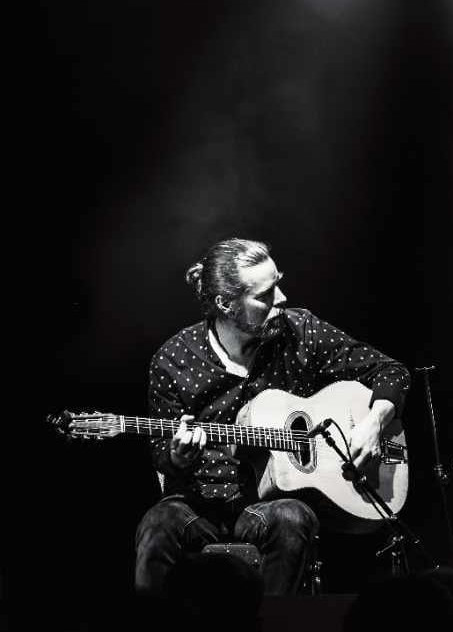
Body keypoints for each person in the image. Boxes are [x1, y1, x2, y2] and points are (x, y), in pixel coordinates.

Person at [136, 238, 410, 595]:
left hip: (267, 507)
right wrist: (176, 455)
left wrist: (373, 424)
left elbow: (391, 372)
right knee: (158, 524)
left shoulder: (300, 332)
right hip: (199, 504)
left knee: (293, 518)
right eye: (265, 295)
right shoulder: (173, 360)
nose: (280, 299)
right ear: (225, 304)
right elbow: (162, 454)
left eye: (277, 284)